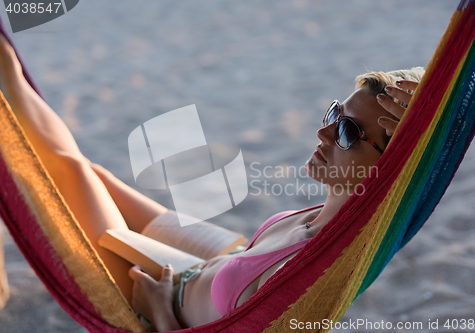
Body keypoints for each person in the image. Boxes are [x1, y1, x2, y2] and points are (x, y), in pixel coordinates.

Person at [0, 32, 424, 331]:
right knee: (94, 174)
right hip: (219, 259)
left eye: (348, 132)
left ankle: (7, 69)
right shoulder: (327, 215)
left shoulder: (315, 275)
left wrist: (162, 311)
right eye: (334, 114)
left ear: (385, 170)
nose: (324, 133)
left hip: (165, 298)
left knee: (61, 171)